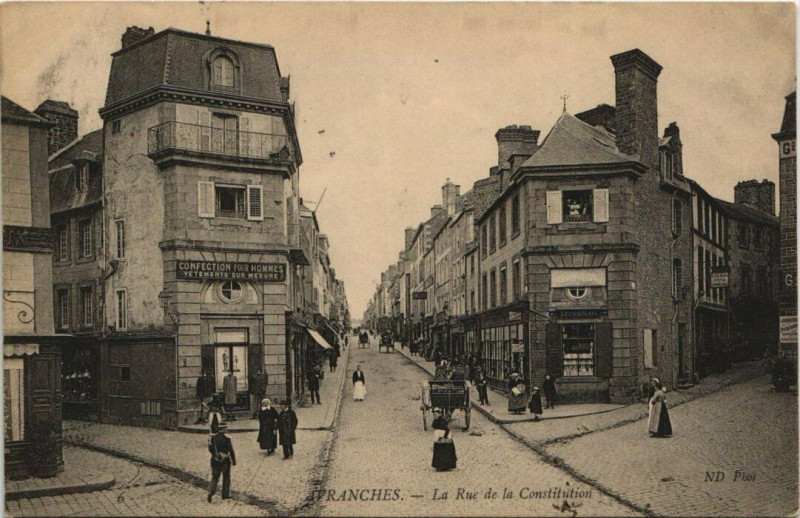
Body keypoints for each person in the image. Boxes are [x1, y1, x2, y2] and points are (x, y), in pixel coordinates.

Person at [207, 422, 236, 502]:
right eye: (226, 428)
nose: (227, 429)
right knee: (226, 477)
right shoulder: (227, 438)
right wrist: (234, 461)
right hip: (225, 460)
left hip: (215, 460)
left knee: (215, 477)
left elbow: (210, 449)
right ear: (223, 429)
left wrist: (216, 455)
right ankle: (225, 495)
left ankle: (210, 492)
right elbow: (231, 450)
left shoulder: (213, 438)